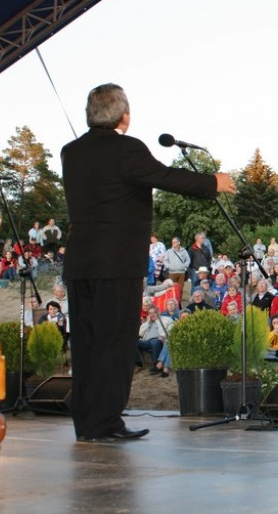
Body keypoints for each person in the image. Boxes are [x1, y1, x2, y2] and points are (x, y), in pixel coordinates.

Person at [61, 83, 235, 443]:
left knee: (88, 344)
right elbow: (165, 177)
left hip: (81, 263)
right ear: (124, 114)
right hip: (116, 263)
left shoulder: (71, 152)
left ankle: (88, 423)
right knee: (115, 343)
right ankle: (105, 423)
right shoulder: (126, 149)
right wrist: (212, 182)